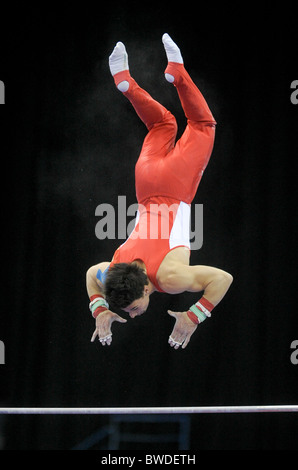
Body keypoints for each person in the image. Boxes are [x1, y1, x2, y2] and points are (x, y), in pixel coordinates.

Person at [86, 34, 233, 349]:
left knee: (202, 124)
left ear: (144, 291)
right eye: (129, 311)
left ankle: (178, 74)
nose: (135, 314)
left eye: (133, 307)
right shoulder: (114, 269)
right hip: (144, 183)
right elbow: (90, 274)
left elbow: (223, 279)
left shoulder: (168, 278)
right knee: (162, 125)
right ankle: (126, 83)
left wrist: (193, 316)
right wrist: (99, 307)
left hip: (175, 186)